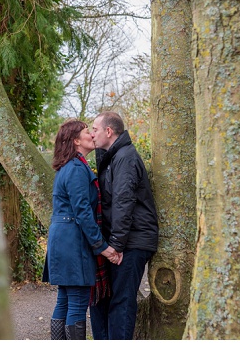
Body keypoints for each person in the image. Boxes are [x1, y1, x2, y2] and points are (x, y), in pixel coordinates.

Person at [42, 119, 122, 340]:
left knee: (65, 301)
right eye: (88, 132)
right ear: (76, 140)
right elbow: (83, 213)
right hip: (72, 242)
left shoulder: (67, 167)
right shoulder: (77, 169)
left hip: (62, 239)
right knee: (76, 303)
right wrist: (102, 247)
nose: (92, 135)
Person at [89, 111, 159, 340]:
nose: (91, 134)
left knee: (122, 302)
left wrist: (116, 246)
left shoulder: (125, 157)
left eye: (95, 129)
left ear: (109, 131)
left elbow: (123, 202)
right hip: (121, 241)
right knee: (105, 300)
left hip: (132, 242)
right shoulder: (112, 157)